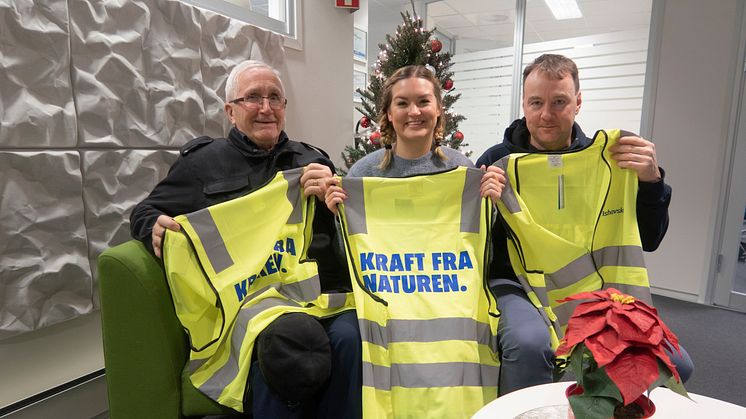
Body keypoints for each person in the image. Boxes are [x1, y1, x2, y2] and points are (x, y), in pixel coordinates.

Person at [130, 60, 361, 418]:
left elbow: (344, 233)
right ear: (231, 111)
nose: (266, 108)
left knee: (352, 339)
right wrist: (152, 226)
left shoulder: (313, 159)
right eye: (253, 98)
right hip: (249, 305)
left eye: (274, 98)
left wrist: (333, 204)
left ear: (284, 108)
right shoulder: (201, 165)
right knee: (285, 343)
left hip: (318, 297)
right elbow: (145, 211)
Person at [476, 53, 693, 395]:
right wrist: (483, 205)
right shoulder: (494, 161)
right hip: (518, 285)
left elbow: (649, 240)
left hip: (593, 289)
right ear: (523, 103)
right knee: (530, 345)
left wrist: (651, 181)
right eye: (536, 102)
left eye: (559, 101)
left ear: (578, 103)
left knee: (675, 365)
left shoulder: (610, 161)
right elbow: (474, 245)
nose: (546, 114)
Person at [324, 65, 505, 417]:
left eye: (423, 101)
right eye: (402, 103)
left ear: (439, 110)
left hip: (446, 293)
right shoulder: (364, 173)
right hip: (387, 296)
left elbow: (480, 249)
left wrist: (491, 206)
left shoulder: (463, 169)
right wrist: (336, 217)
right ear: (388, 115)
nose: (414, 112)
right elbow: (347, 254)